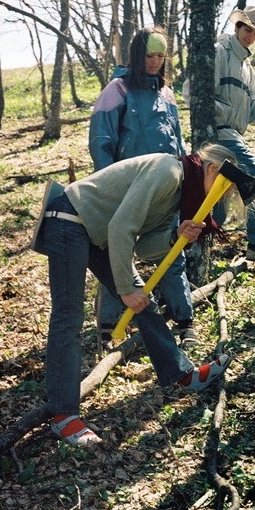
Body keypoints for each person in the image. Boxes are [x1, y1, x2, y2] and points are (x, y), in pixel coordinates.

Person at [36, 143, 238, 446]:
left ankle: (183, 373)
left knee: (145, 303)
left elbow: (144, 246)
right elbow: (121, 228)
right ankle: (62, 415)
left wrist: (174, 236)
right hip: (68, 220)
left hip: (95, 232)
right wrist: (125, 288)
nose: (220, 196)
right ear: (212, 170)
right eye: (224, 188)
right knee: (69, 317)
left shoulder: (177, 193)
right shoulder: (168, 170)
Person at [89, 26, 197, 346]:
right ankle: (109, 326)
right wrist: (108, 189)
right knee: (115, 253)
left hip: (165, 190)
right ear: (137, 55)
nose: (154, 61)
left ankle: (184, 321)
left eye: (160, 55)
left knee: (171, 248)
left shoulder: (166, 92)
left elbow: (177, 142)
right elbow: (101, 143)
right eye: (149, 55)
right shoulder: (116, 90)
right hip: (125, 190)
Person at [185, 6, 255, 260]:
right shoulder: (219, 52)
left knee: (217, 205)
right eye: (247, 29)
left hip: (233, 135)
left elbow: (253, 112)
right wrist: (222, 112)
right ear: (237, 27)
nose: (250, 36)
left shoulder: (248, 70)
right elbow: (192, 92)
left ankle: (190, 252)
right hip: (217, 136)